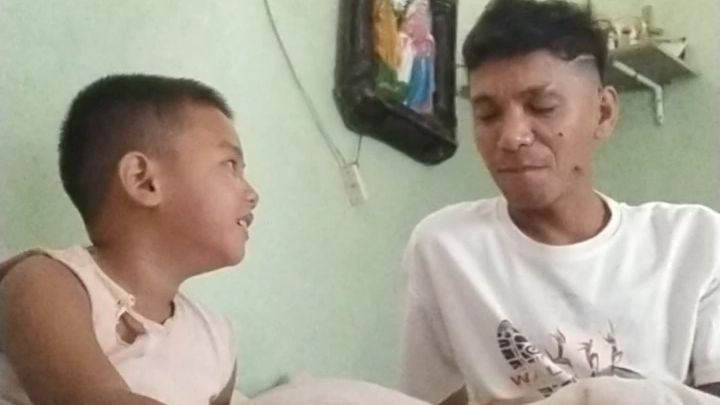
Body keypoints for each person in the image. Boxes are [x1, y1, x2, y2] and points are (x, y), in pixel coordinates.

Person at [398, 0, 720, 404]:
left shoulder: (695, 242)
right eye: (488, 115)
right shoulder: (444, 248)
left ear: (603, 113)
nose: (512, 137)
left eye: (543, 107)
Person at [0, 74, 259, 405]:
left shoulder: (216, 339)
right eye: (230, 165)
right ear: (143, 180)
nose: (252, 194)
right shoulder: (45, 284)